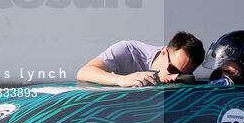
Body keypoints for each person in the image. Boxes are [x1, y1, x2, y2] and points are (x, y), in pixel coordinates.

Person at [76, 31, 205, 87]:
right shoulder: (127, 50)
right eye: (172, 69)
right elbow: (84, 72)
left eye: (183, 75)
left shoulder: (178, 75)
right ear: (164, 51)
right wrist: (122, 80)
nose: (174, 78)